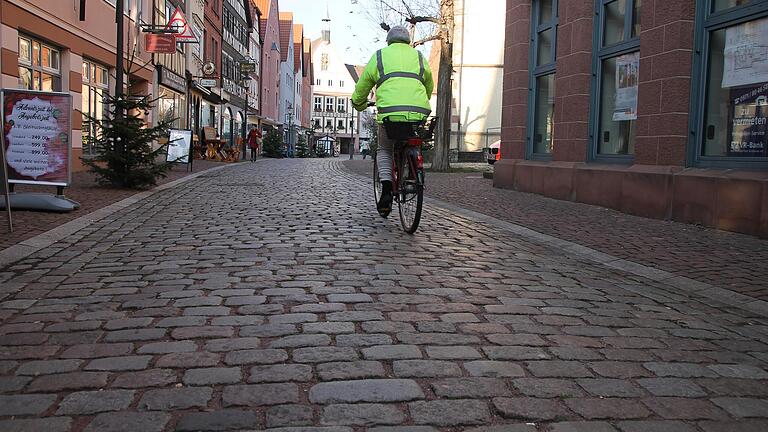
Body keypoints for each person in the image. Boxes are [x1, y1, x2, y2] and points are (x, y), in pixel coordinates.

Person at [352, 25, 433, 217]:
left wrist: (359, 103)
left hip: (390, 113)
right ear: (408, 41)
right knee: (411, 138)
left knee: (385, 148)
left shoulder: (380, 56)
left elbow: (363, 85)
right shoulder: (420, 57)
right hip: (418, 112)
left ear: (389, 40)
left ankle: (387, 189)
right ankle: (413, 170)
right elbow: (428, 85)